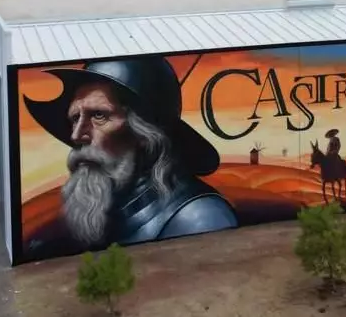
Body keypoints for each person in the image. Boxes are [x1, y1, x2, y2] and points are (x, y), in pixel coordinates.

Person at [24, 57, 239, 252]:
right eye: (75, 118)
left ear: (145, 133)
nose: (77, 135)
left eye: (99, 115)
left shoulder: (199, 219)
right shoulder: (102, 211)